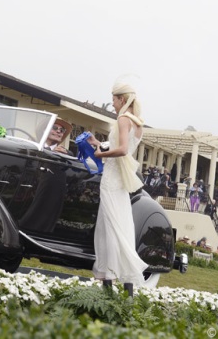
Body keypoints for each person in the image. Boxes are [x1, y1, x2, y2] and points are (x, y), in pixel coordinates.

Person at [87, 80, 148, 296]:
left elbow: (121, 150)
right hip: (120, 181)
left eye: (113, 99)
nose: (112, 104)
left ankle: (109, 282)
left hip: (112, 179)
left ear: (122, 99)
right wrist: (99, 144)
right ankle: (126, 288)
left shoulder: (123, 119)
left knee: (109, 230)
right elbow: (124, 147)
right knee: (120, 226)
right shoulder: (137, 122)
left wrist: (100, 154)